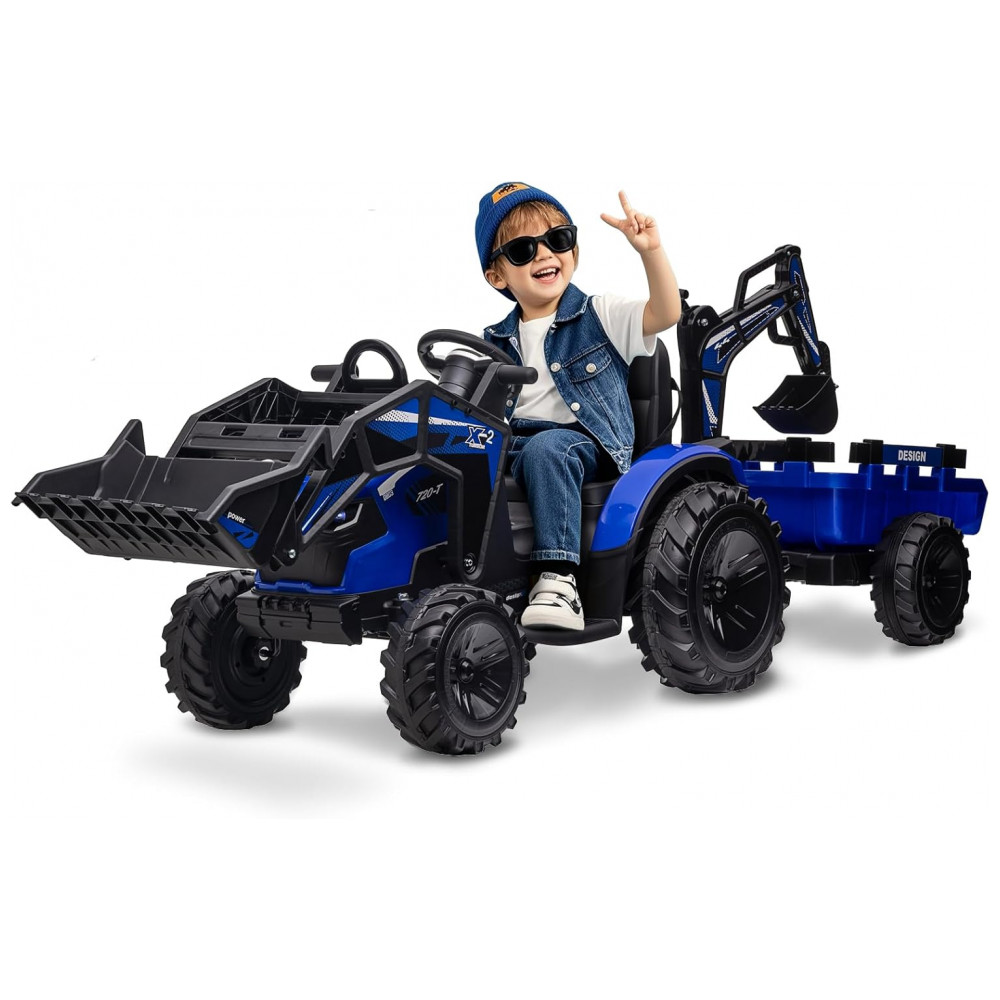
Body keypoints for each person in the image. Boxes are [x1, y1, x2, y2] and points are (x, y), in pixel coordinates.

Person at [475, 181, 682, 630]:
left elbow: (666, 313)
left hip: (582, 443)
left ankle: (558, 579)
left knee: (547, 449)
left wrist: (650, 252)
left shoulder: (601, 315)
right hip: (512, 443)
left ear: (574, 249)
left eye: (557, 239)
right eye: (523, 250)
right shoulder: (492, 341)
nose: (544, 254)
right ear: (497, 276)